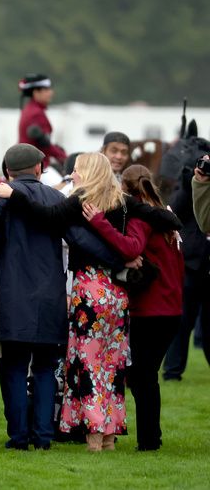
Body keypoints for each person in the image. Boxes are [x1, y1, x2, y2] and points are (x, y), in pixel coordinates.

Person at [0, 152, 181, 451]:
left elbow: (48, 217)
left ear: (88, 172)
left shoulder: (81, 199)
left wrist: (13, 194)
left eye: (77, 170)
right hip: (117, 295)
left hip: (89, 291)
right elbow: (169, 219)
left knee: (89, 363)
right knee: (113, 365)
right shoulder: (121, 201)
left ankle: (93, 433)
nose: (73, 175)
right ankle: (109, 436)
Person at [0, 145, 124, 450]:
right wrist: (120, 260)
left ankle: (19, 438)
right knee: (44, 370)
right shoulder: (57, 199)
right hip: (51, 298)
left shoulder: (4, 195)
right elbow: (79, 239)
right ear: (39, 168)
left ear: (9, 171)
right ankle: (43, 437)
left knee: (13, 370)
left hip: (14, 299)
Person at [82, 165, 183, 451]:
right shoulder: (166, 213)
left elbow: (130, 248)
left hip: (150, 310)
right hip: (171, 309)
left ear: (124, 189)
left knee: (142, 376)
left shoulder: (141, 216)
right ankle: (150, 438)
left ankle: (150, 440)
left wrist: (99, 222)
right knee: (144, 375)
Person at [163, 159, 210, 381]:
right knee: (181, 321)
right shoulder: (190, 182)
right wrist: (192, 181)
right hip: (192, 263)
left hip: (202, 261)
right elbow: (174, 210)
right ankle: (172, 371)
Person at [18, 74, 66, 169]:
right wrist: (65, 157)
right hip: (36, 166)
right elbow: (45, 145)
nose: (51, 93)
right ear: (36, 92)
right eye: (47, 90)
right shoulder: (36, 113)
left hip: (28, 164)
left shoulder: (30, 109)